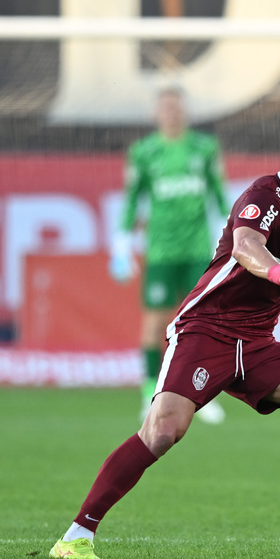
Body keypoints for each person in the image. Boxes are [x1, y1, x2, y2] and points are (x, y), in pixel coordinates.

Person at [51, 105, 280, 559]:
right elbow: (247, 246)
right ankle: (75, 537)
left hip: (256, 342)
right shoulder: (264, 195)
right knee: (163, 431)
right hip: (205, 331)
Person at [109, 87, 231, 423]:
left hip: (197, 251)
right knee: (153, 325)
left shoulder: (204, 148)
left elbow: (219, 193)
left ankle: (200, 395)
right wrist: (122, 243)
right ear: (157, 114)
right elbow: (133, 198)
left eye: (177, 108)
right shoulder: (144, 152)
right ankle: (149, 392)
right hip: (161, 252)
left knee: (202, 326)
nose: (172, 113)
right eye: (166, 108)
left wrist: (233, 233)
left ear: (185, 112)